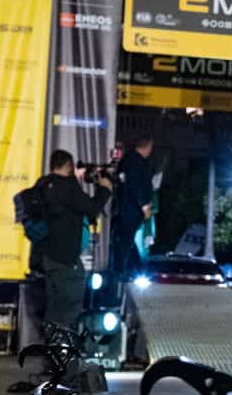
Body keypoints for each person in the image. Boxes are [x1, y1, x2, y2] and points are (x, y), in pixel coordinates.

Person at [31, 149, 112, 330]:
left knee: (54, 309)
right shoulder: (67, 187)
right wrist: (104, 189)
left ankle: (52, 354)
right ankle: (65, 355)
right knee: (69, 309)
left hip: (48, 257)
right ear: (68, 166)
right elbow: (91, 208)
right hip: (65, 259)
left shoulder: (43, 184)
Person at [111, 136, 156, 279]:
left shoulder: (130, 160)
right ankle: (123, 270)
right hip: (131, 209)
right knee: (125, 241)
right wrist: (144, 205)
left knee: (126, 240)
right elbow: (135, 185)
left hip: (128, 208)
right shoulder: (135, 162)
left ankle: (134, 269)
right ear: (147, 147)